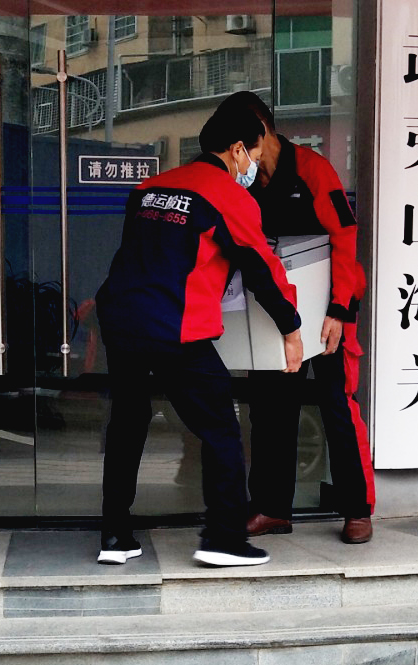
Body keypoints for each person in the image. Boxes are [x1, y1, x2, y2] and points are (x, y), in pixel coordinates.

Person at [94, 98, 305, 568]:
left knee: (128, 423)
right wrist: (291, 329)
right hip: (176, 326)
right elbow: (262, 270)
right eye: (254, 154)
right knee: (221, 430)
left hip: (122, 320)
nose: (254, 166)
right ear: (237, 150)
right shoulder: (228, 196)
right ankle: (224, 538)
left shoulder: (150, 188)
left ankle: (115, 535)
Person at [227, 92, 376, 545]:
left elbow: (345, 236)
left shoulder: (313, 170)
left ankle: (357, 509)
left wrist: (338, 309)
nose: (237, 154)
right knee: (270, 409)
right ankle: (272, 508)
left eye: (240, 142)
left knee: (336, 405)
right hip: (278, 312)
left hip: (330, 309)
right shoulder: (245, 182)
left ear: (260, 130)